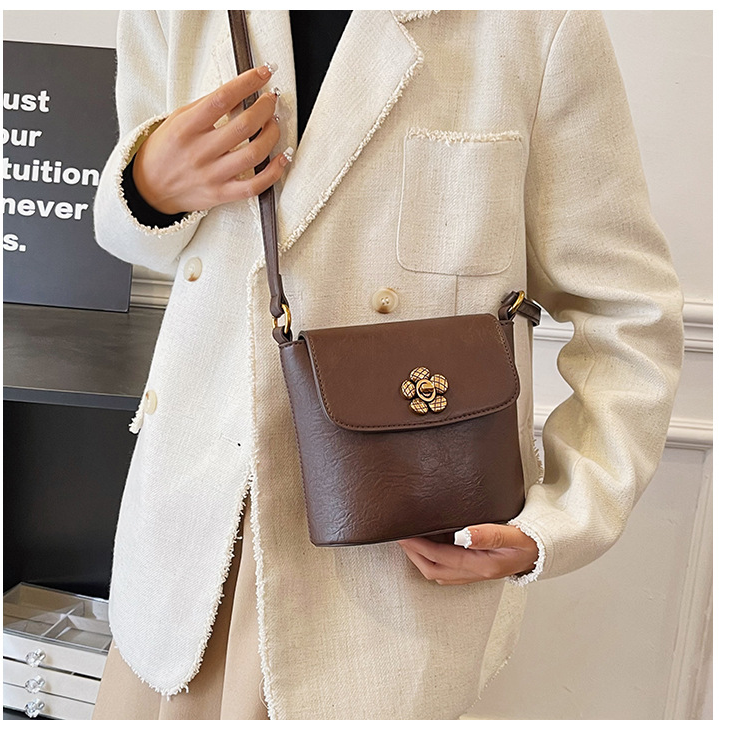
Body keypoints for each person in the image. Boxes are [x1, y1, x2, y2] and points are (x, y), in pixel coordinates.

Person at [90, 9, 684, 721]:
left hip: (389, 574)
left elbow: (628, 313)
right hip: (189, 543)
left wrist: (561, 520)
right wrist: (146, 187)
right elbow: (141, 238)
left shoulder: (538, 24)